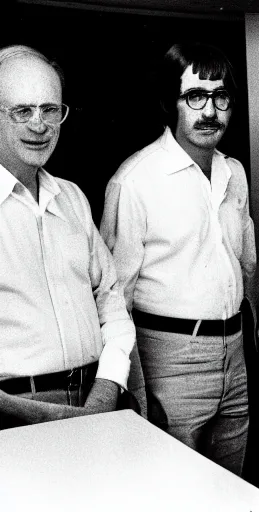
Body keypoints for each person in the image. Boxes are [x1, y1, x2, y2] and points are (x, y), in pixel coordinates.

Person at [100, 42, 256, 476]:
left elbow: (246, 264)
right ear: (171, 103)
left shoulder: (233, 172)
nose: (210, 112)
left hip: (234, 353)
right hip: (168, 356)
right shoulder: (135, 181)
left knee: (231, 488)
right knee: (176, 487)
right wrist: (135, 388)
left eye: (221, 97)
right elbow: (114, 298)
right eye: (195, 97)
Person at [0, 45, 136, 429]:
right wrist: (41, 415)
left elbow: (112, 305)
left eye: (50, 110)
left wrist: (106, 392)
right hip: (15, 418)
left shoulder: (73, 198)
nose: (39, 125)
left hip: (97, 401)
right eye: (22, 111)